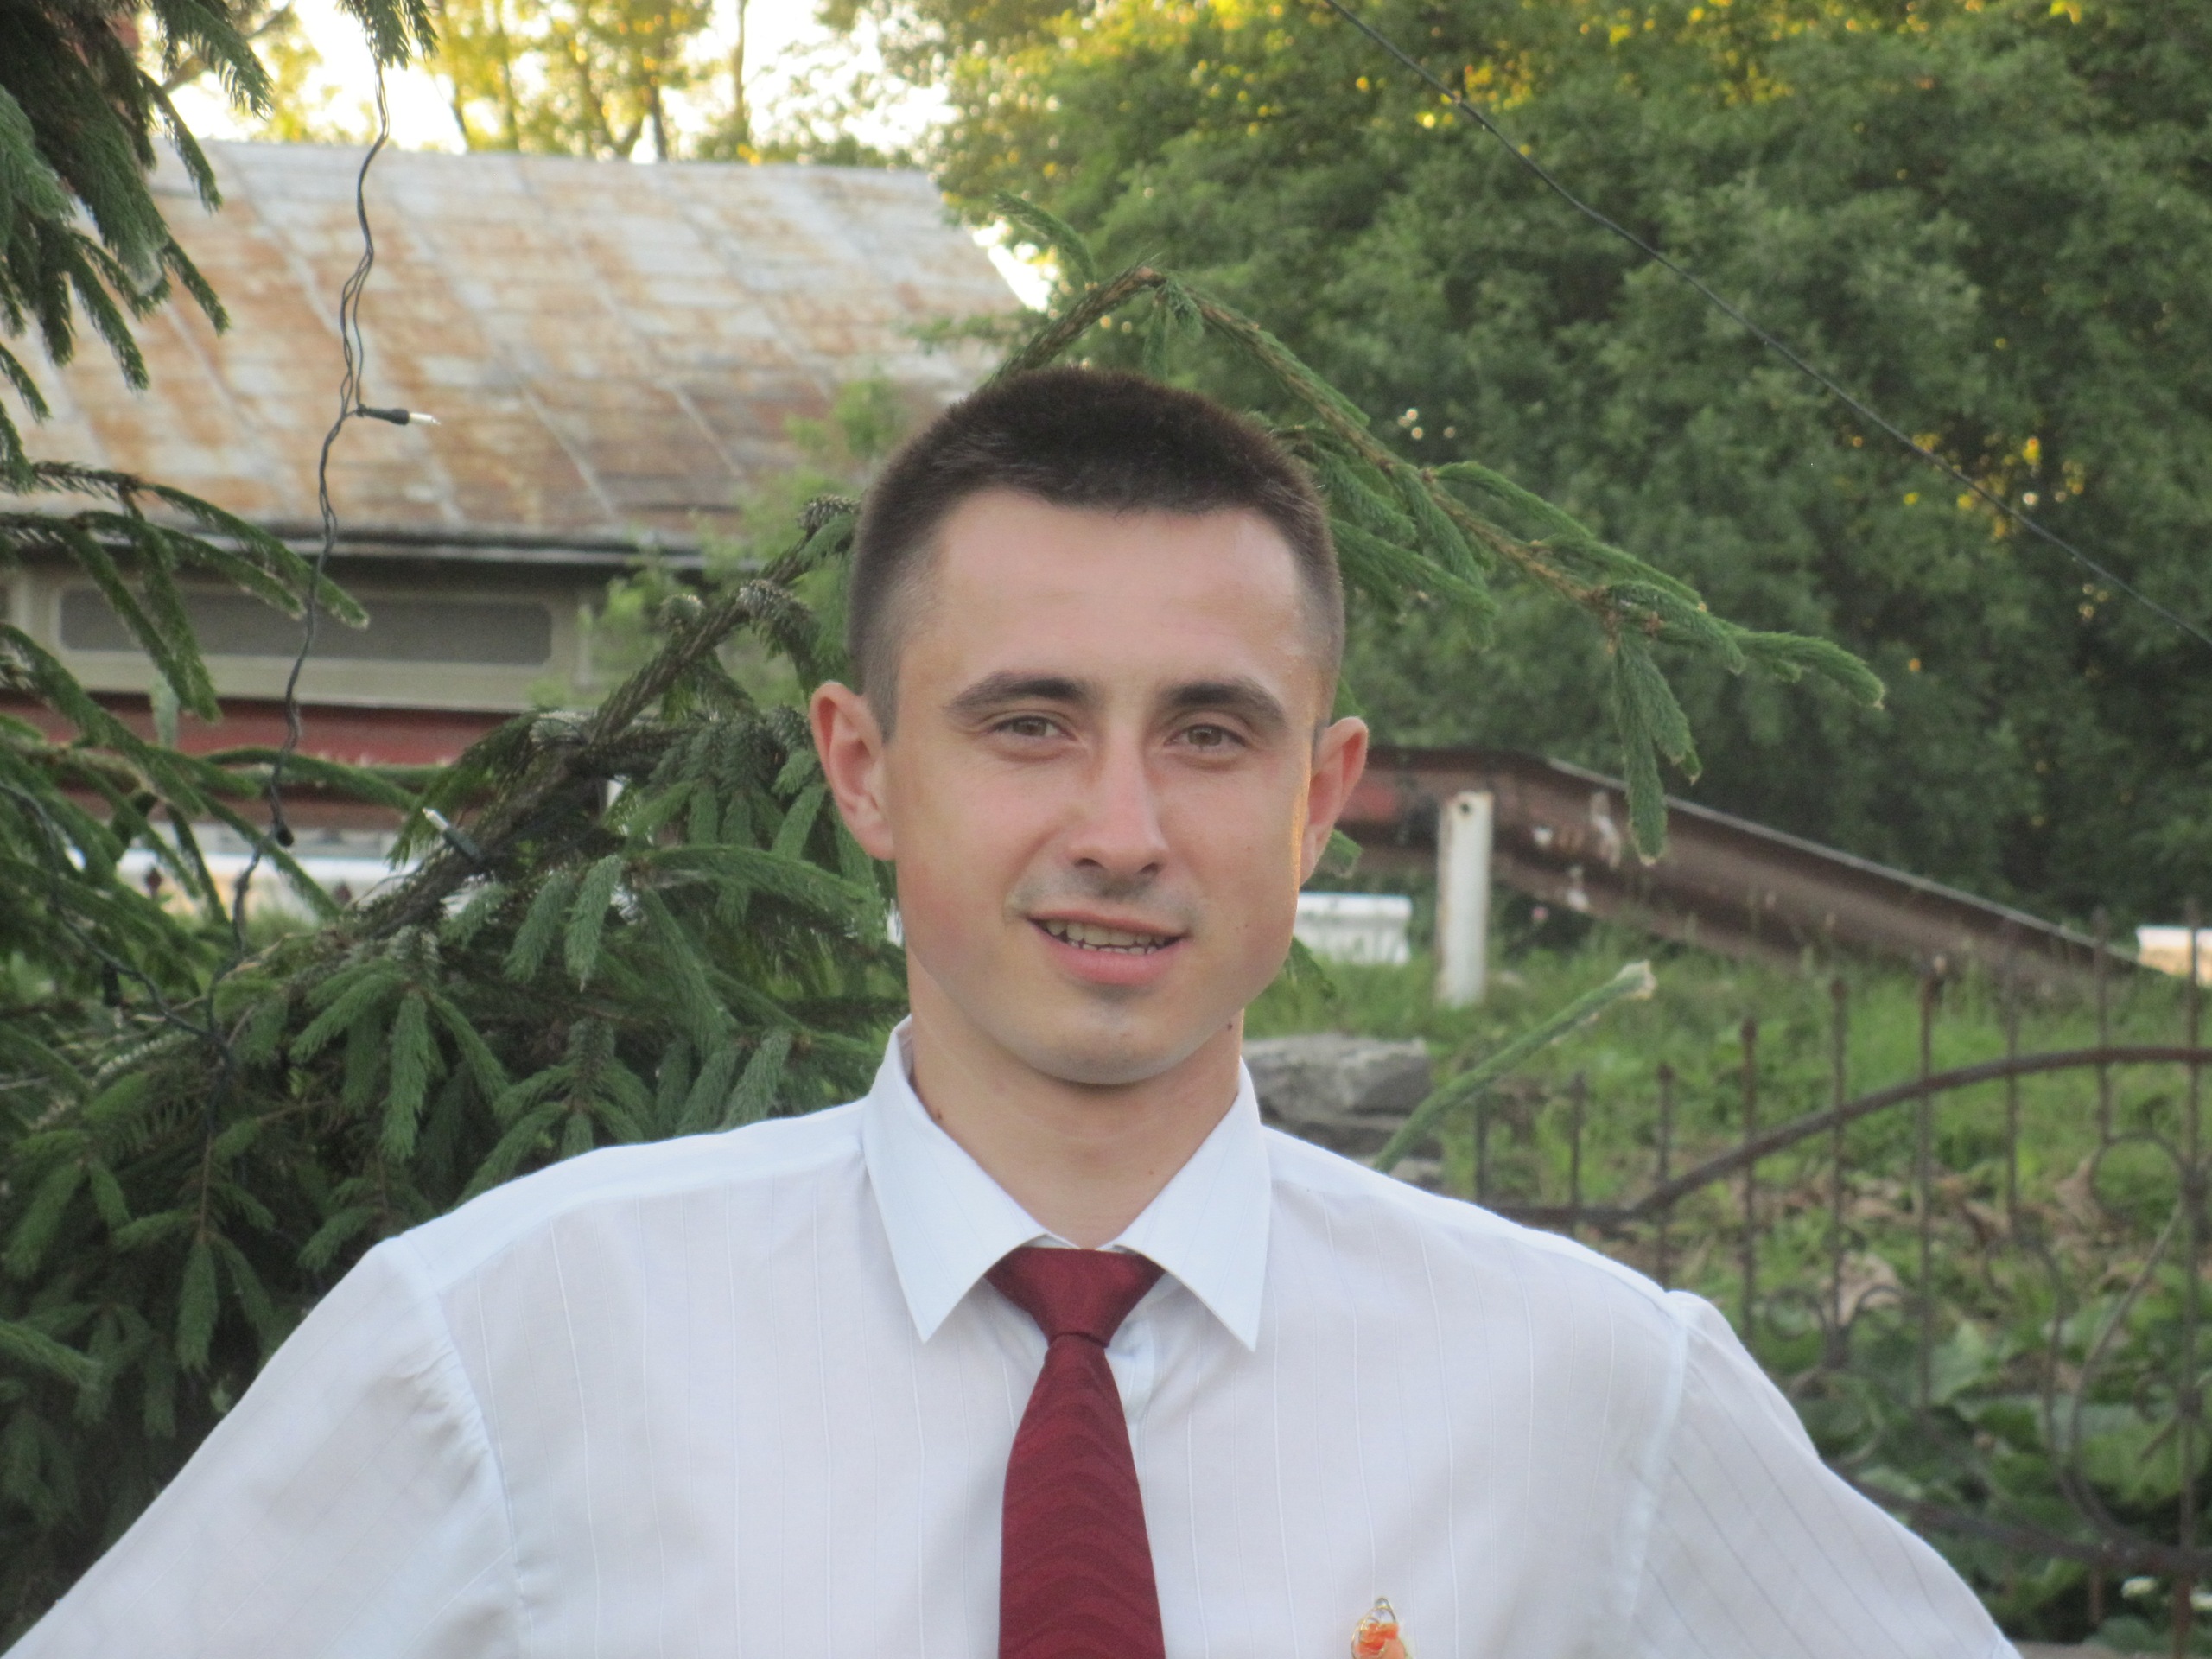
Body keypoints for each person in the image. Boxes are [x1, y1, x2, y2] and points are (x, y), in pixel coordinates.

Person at [10, 368, 2014, 1659]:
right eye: (1028, 722)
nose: (1119, 829)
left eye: (1209, 733)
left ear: (1320, 793)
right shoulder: (518, 1339)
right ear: (863, 768)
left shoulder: (1584, 1393)